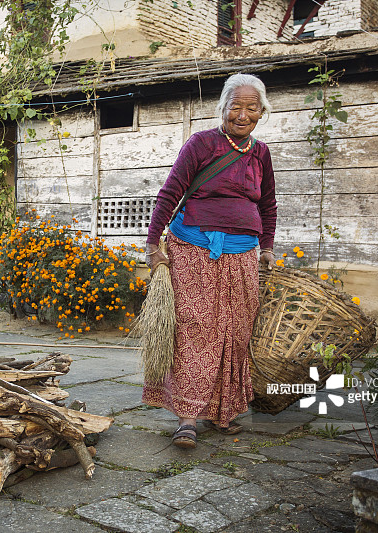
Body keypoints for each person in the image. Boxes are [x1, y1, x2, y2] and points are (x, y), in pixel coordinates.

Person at [142, 73, 277, 449]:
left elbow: (267, 203)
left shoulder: (261, 153)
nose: (243, 114)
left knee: (235, 332)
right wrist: (154, 245)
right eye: (236, 106)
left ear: (261, 112)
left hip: (242, 254)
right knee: (195, 328)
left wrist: (266, 246)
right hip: (193, 248)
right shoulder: (202, 144)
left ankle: (223, 411)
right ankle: (188, 417)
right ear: (223, 107)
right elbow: (170, 192)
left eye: (252, 107)